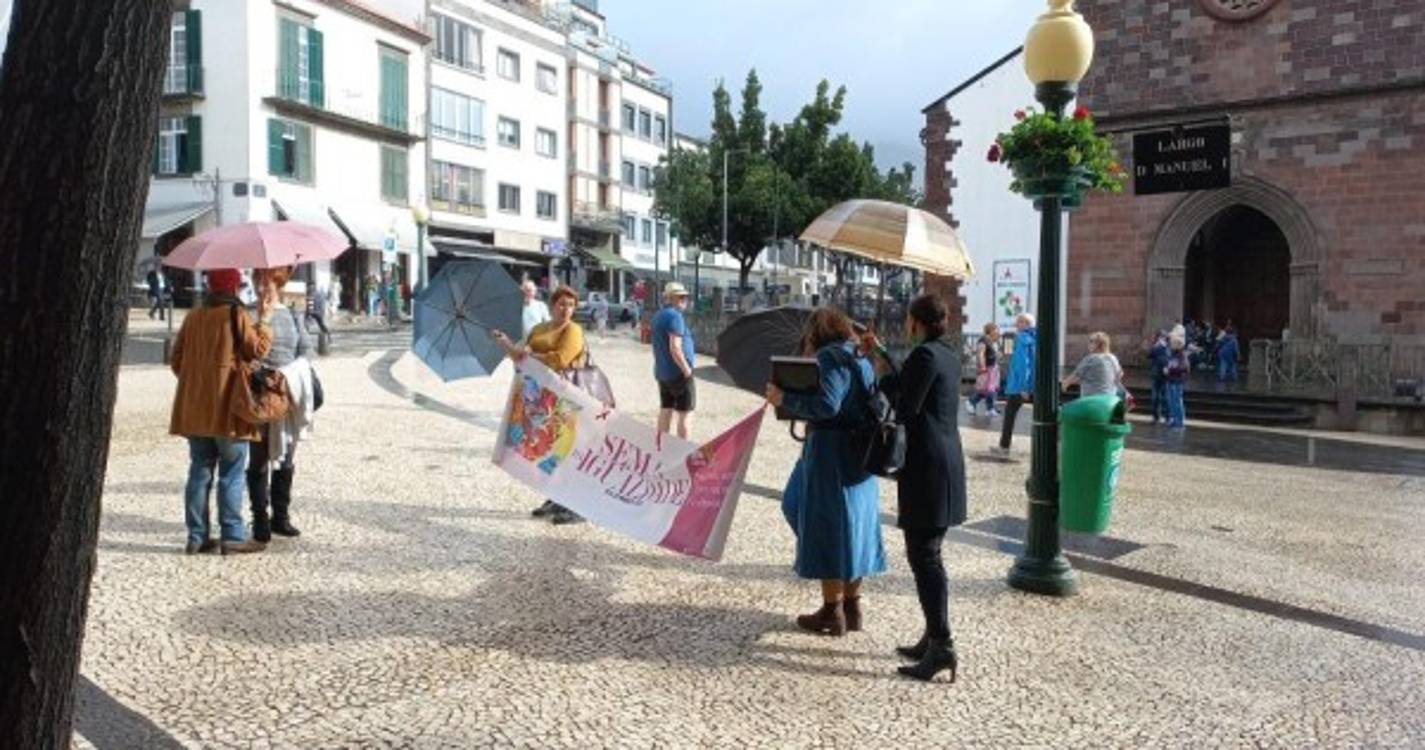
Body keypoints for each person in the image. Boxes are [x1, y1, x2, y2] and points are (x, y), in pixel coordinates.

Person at [863, 294, 966, 683]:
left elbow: (907, 404)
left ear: (915, 322)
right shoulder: (947, 353)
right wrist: (885, 356)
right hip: (945, 462)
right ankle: (933, 635)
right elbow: (912, 380)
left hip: (927, 466)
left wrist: (883, 378)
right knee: (927, 553)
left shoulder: (925, 357)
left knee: (925, 555)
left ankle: (942, 645)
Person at [766, 307, 886, 638]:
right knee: (854, 528)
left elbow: (827, 405)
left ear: (816, 332)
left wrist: (785, 397)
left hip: (831, 455)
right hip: (860, 455)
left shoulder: (831, 357)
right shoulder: (860, 355)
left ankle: (832, 612)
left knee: (827, 526)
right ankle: (851, 606)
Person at [169, 268, 273, 555]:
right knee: (232, 472)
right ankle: (233, 536)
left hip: (195, 411)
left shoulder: (193, 317)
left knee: (199, 471)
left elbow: (176, 361)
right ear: (235, 288)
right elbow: (259, 349)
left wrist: (198, 382)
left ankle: (196, 537)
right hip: (228, 410)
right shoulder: (235, 315)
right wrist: (264, 319)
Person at [494, 285, 587, 525]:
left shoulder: (573, 330)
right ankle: (555, 497)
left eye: (571, 305)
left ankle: (576, 506)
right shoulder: (539, 329)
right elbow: (519, 356)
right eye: (561, 304)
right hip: (541, 399)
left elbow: (560, 359)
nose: (566, 309)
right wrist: (506, 344)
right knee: (549, 450)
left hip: (567, 398)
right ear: (552, 305)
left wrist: (530, 355)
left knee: (567, 449)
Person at [246, 266, 315, 543]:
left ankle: (281, 517)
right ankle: (260, 519)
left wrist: (293, 371)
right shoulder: (248, 314)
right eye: (258, 283)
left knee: (286, 457)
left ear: (279, 286)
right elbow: (244, 351)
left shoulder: (292, 314)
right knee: (259, 457)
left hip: (289, 391)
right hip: (260, 393)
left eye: (268, 285)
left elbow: (306, 348)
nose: (263, 289)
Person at [651, 282, 696, 440]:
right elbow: (675, 348)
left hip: (662, 372)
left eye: (686, 297)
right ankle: (683, 453)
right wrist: (687, 371)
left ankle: (660, 446)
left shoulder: (658, 315)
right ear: (671, 298)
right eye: (681, 297)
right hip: (678, 373)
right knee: (686, 413)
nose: (685, 300)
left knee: (666, 409)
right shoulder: (675, 316)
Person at [993, 313, 1036, 457]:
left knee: (1009, 415)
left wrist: (1024, 386)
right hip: (1032, 384)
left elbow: (1024, 365)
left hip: (1019, 386)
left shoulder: (1022, 338)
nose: (1016, 325)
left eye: (1019, 322)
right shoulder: (1035, 338)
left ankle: (1004, 447)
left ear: (1026, 324)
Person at [1061, 331, 1124, 397]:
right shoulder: (1112, 358)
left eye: (1091, 341)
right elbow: (1120, 375)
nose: (1088, 343)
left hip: (1091, 400)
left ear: (1098, 344)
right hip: (1109, 399)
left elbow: (1076, 375)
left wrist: (1064, 385)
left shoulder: (1091, 359)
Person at [964, 322, 1001, 417]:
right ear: (991, 330)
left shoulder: (991, 341)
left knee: (989, 389)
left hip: (992, 368)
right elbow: (980, 353)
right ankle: (972, 402)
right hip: (987, 368)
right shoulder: (984, 340)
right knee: (987, 389)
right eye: (997, 329)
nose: (998, 332)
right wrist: (982, 366)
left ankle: (989, 408)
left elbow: (989, 354)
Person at [1164, 333, 1190, 428]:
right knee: (1171, 402)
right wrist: (1167, 368)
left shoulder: (1182, 355)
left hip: (1177, 381)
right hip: (1170, 380)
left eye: (1173, 343)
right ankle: (1174, 420)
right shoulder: (1172, 354)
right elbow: (1170, 364)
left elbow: (1185, 368)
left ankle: (1180, 421)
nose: (1171, 345)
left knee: (1177, 402)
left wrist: (1170, 370)